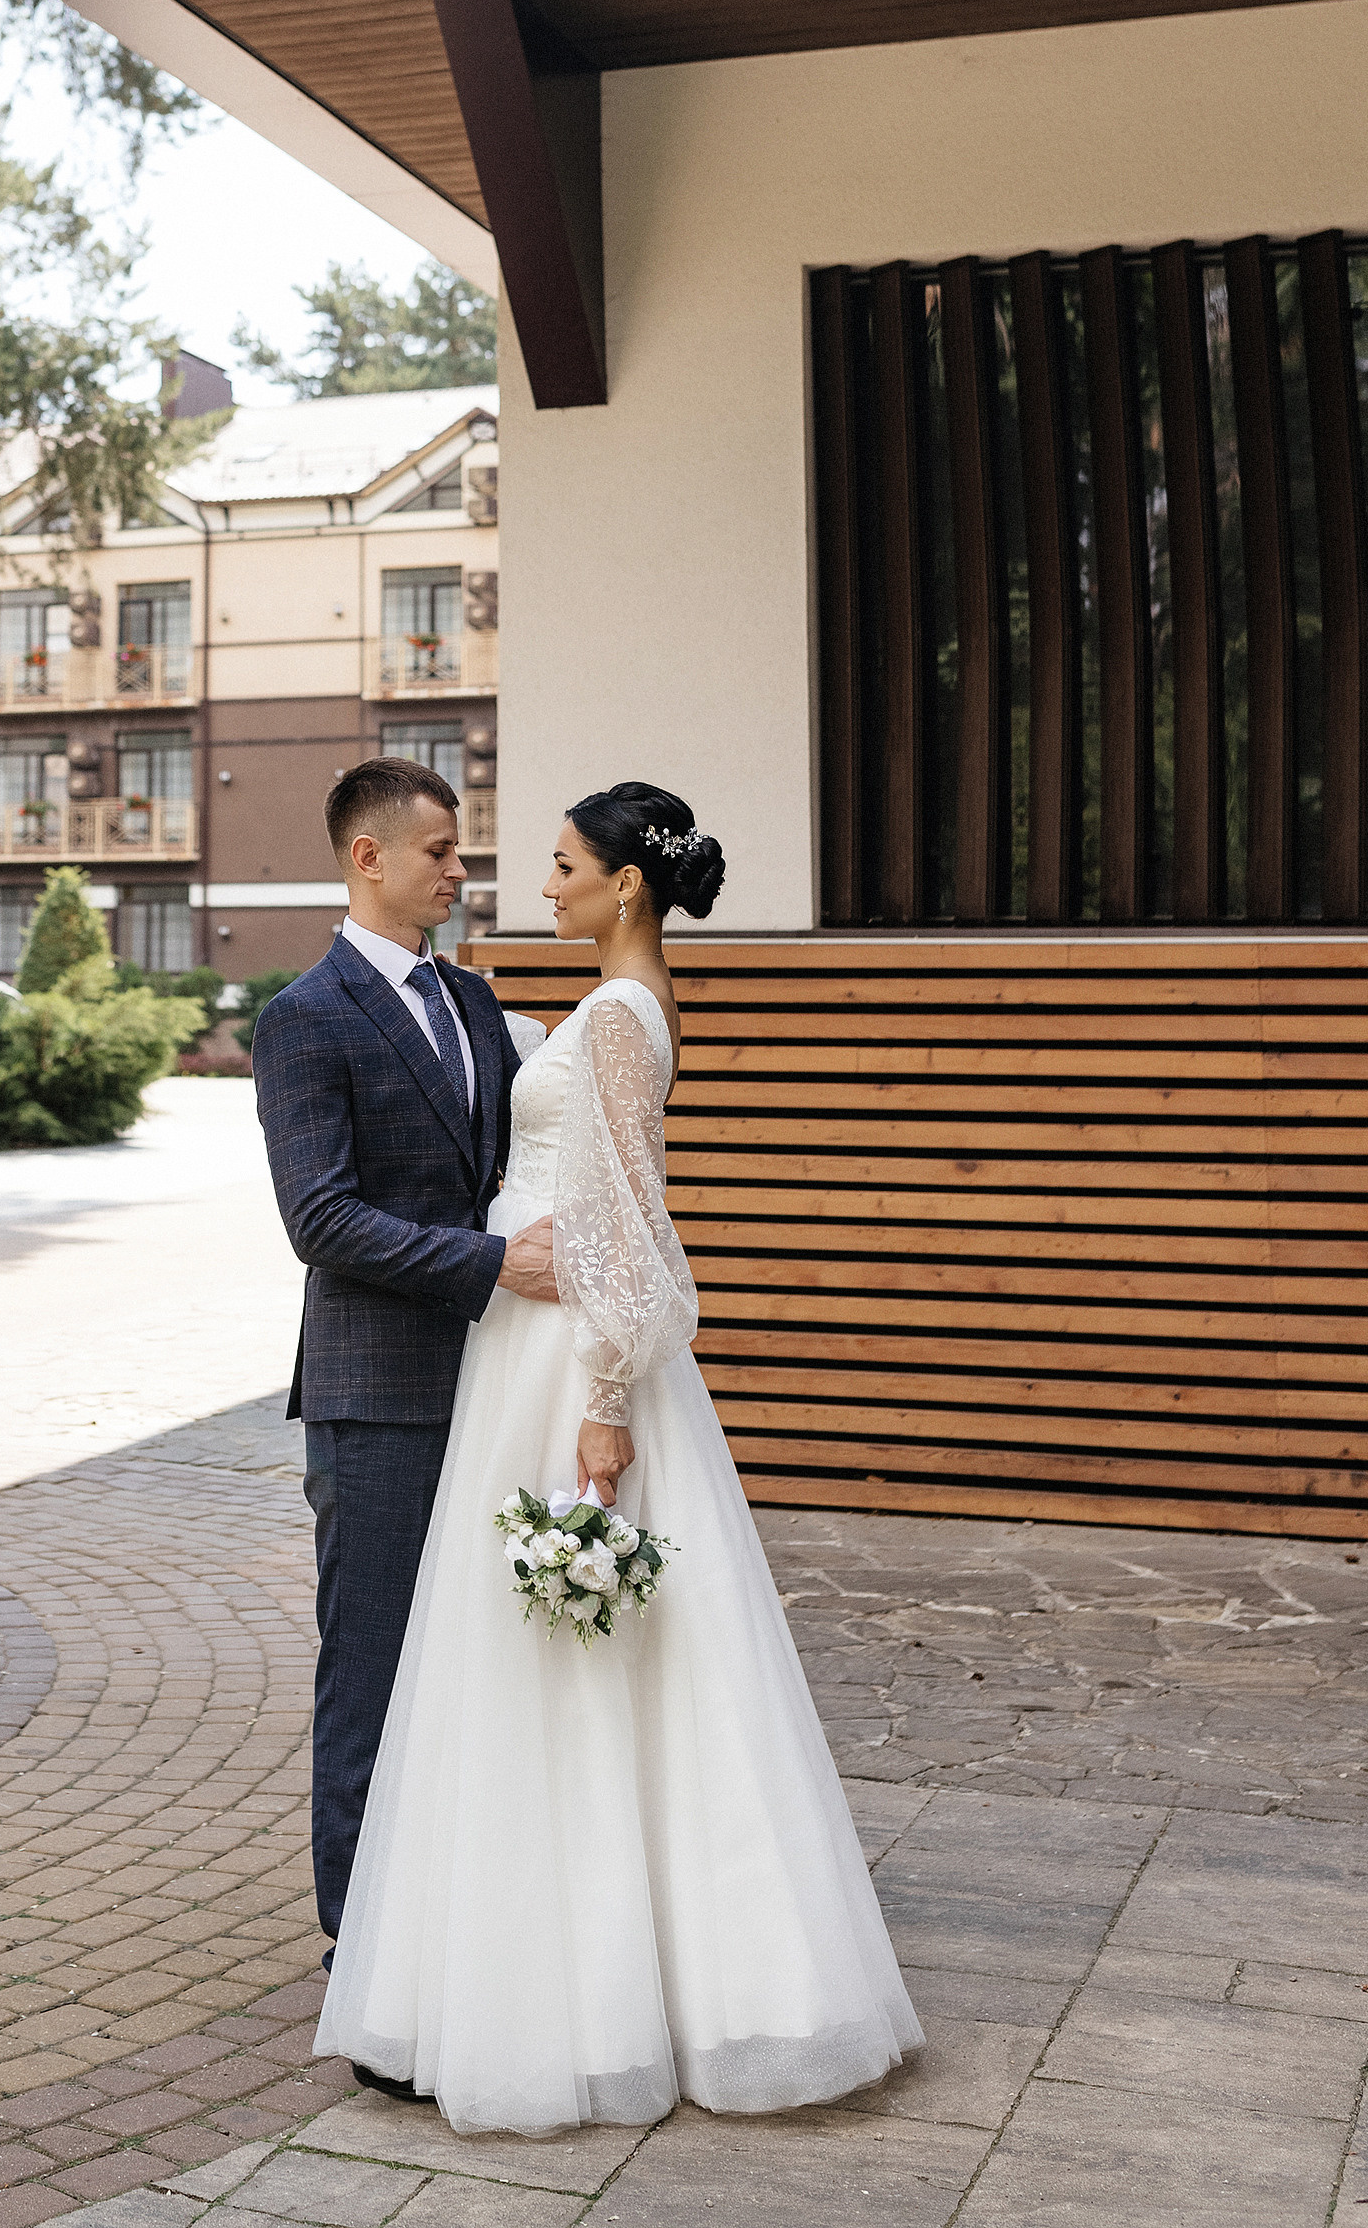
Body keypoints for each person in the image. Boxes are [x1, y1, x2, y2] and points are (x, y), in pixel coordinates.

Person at [313, 781, 922, 2136]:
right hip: (513, 1348)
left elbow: (634, 1231)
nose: (540, 883)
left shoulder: (622, 1020)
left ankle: (580, 1991)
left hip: (563, 1363)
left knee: (576, 1670)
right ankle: (518, 1965)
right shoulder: (594, 1014)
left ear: (628, 886)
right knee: (531, 1666)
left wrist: (602, 1401)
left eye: (564, 864)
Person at [250, 757, 559, 2008]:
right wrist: (493, 1265)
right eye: (436, 849)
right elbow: (319, 1219)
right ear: (367, 857)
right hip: (374, 1400)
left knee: (482, 1667)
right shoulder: (302, 1017)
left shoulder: (479, 1005)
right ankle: (358, 1950)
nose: (457, 868)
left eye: (459, 849)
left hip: (497, 1389)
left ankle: (457, 1915)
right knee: (370, 1674)